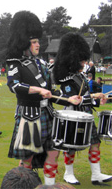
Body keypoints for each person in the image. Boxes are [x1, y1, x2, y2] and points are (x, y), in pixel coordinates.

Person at [6, 11, 81, 185]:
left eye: (38, 41)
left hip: (47, 113)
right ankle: (23, 184)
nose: (38, 45)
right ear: (25, 44)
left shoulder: (41, 64)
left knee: (53, 152)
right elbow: (14, 86)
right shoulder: (15, 63)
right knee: (28, 158)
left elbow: (51, 91)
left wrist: (69, 99)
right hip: (29, 116)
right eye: (34, 42)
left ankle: (49, 186)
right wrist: (37, 90)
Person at [53, 32, 111, 186]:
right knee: (70, 146)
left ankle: (96, 174)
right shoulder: (67, 80)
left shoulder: (82, 77)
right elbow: (74, 99)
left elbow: (85, 97)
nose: (85, 62)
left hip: (86, 115)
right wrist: (93, 97)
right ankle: (68, 173)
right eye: (82, 59)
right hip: (72, 115)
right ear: (73, 59)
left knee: (95, 143)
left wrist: (98, 98)